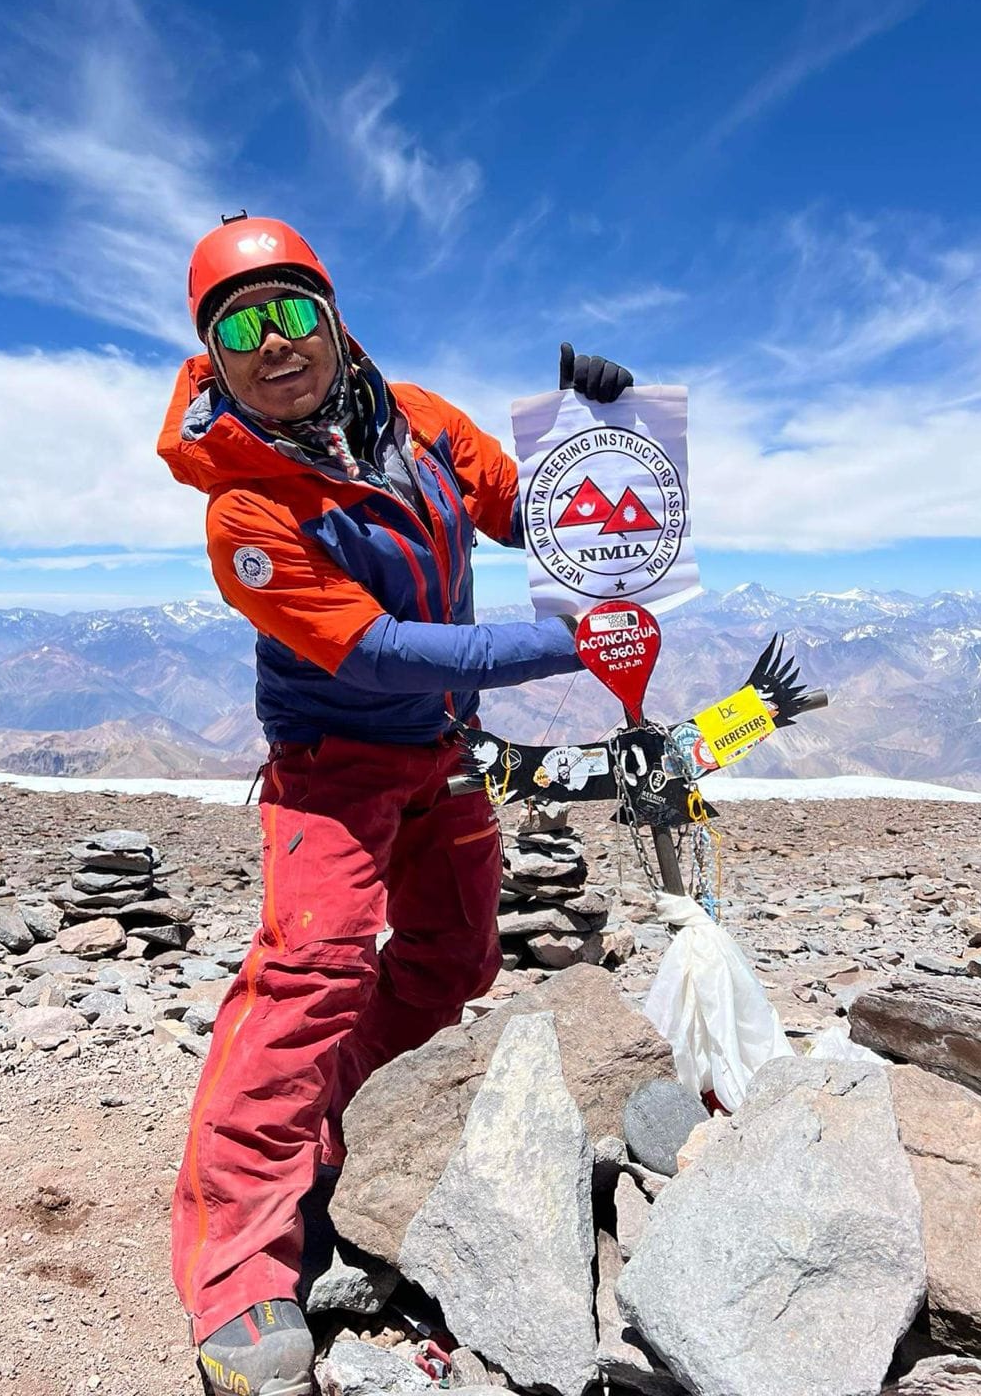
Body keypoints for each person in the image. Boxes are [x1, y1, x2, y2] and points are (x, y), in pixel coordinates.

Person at [158, 213, 634, 1396]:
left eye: (293, 312)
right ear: (212, 356)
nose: (276, 345)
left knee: (454, 956)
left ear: (332, 313)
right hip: (334, 756)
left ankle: (341, 1118)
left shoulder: (413, 417)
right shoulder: (245, 512)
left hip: (441, 746)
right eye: (242, 327)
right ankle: (239, 1265)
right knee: (309, 975)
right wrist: (551, 647)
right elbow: (372, 653)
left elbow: (525, 508)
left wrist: (608, 438)